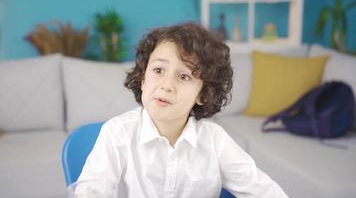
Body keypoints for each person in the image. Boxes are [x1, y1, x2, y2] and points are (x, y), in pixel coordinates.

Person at [77, 22, 288, 198]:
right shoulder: (117, 133)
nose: (167, 84)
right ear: (142, 79)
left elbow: (264, 191)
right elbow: (90, 192)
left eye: (184, 76)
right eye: (158, 70)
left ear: (203, 94)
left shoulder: (214, 140)